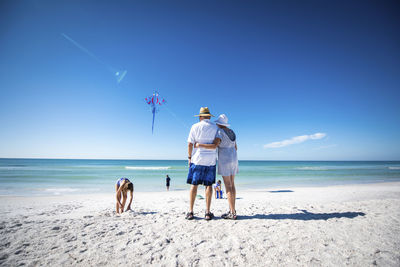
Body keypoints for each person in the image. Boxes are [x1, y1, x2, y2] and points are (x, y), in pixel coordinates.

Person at [195, 114, 238, 220]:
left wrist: (199, 145)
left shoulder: (220, 132)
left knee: (228, 186)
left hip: (225, 159)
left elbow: (214, 146)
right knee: (232, 184)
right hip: (234, 158)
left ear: (219, 123)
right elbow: (236, 147)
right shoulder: (232, 132)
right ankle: (233, 210)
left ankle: (232, 213)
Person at [186, 107, 221, 221]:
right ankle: (207, 212)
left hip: (197, 159)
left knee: (194, 185)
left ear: (200, 117)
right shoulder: (215, 127)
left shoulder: (194, 126)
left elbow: (190, 144)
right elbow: (217, 143)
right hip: (210, 160)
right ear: (209, 116)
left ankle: (191, 212)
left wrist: (189, 158)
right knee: (208, 185)